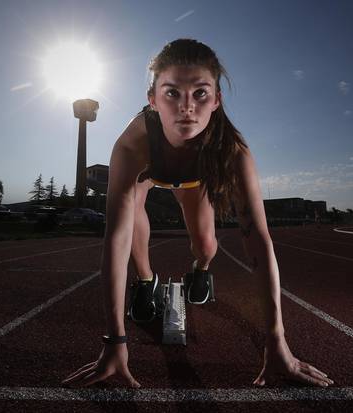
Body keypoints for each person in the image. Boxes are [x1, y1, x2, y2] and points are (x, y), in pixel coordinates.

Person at [62, 39, 333, 388]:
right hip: (149, 172)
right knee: (132, 223)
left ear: (217, 99)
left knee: (205, 244)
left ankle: (200, 269)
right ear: (153, 99)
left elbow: (259, 241)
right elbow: (115, 236)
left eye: (200, 93)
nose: (187, 107)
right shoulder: (132, 144)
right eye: (172, 93)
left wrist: (277, 340)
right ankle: (147, 281)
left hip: (194, 180)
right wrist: (115, 341)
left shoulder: (233, 151)